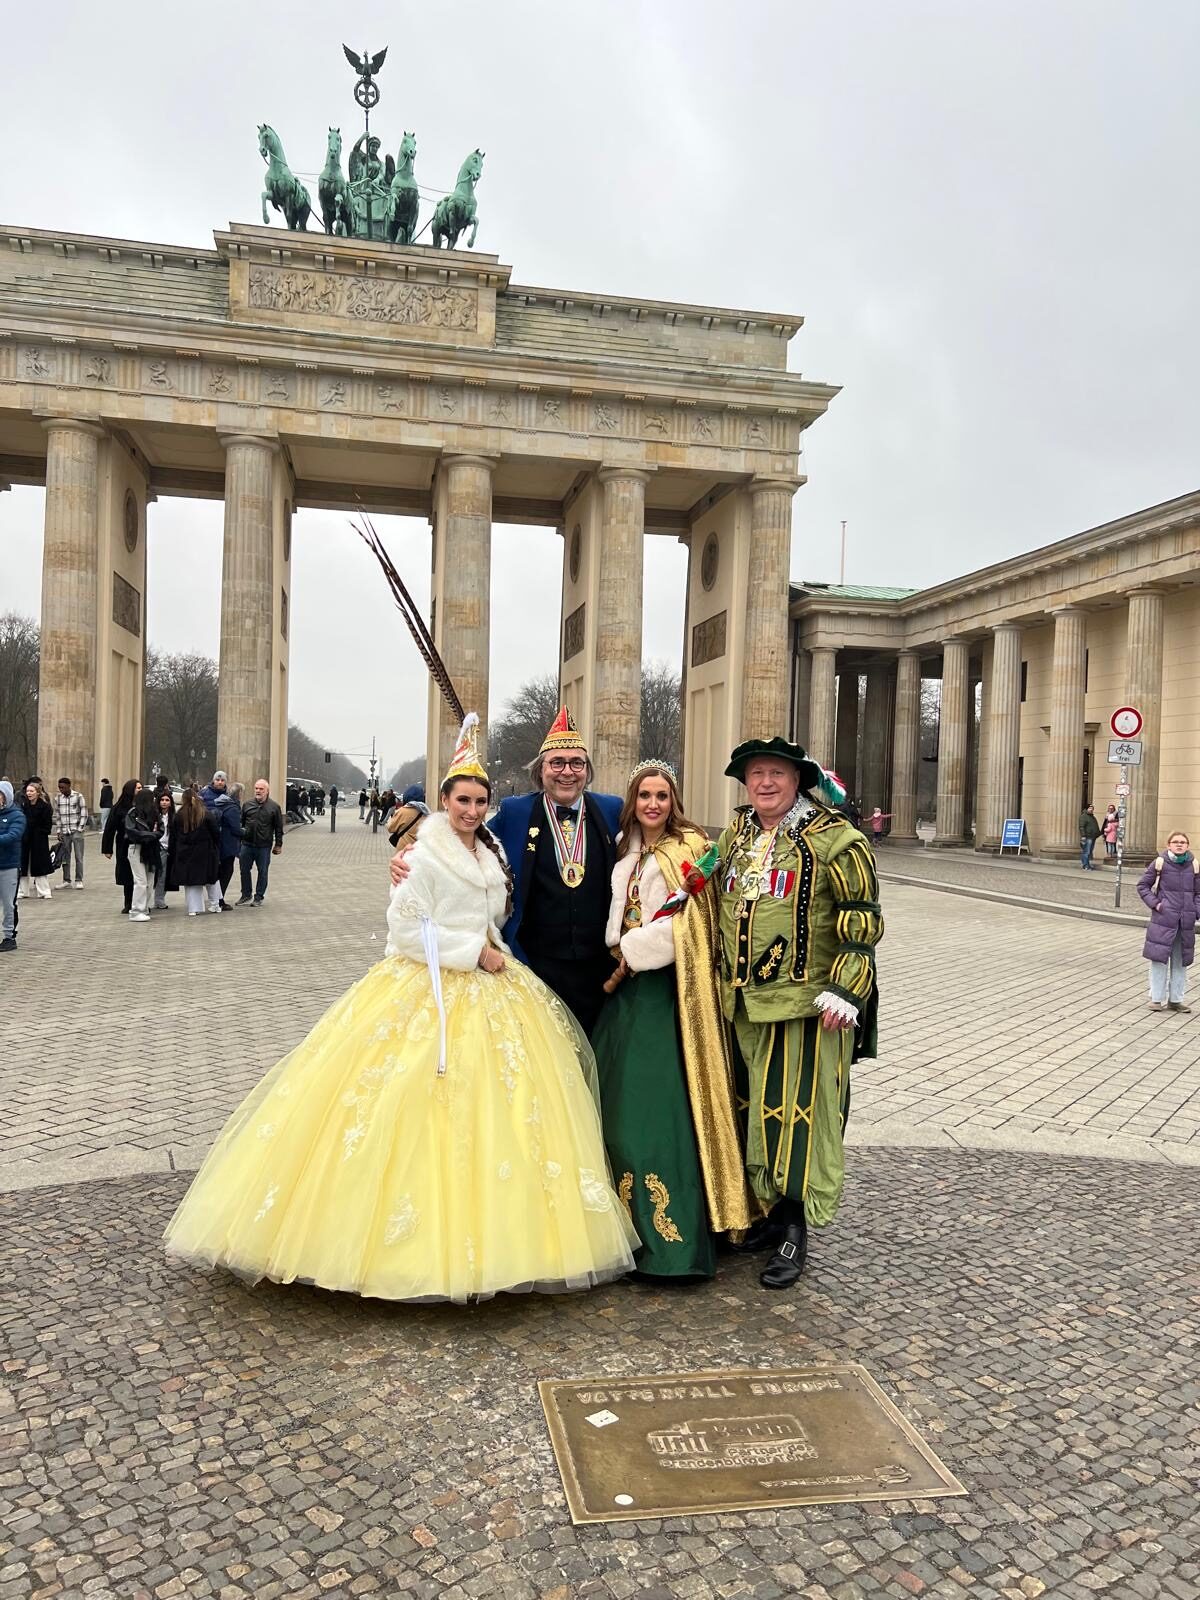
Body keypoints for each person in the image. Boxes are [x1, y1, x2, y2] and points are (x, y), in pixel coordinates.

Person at [163, 712, 638, 1303]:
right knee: (421, 1108)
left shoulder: (506, 843)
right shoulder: (428, 851)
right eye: (462, 800)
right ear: (445, 800)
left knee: (517, 1108)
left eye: (479, 801)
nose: (472, 810)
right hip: (439, 984)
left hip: (518, 980)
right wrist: (471, 948)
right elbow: (408, 928)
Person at [716, 737, 883, 1291]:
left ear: (797, 781)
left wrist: (846, 988)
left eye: (776, 774)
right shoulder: (736, 836)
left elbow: (861, 917)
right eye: (756, 774)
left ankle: (794, 1228)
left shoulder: (837, 839)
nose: (765, 783)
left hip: (807, 1004)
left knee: (799, 1117)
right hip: (743, 1001)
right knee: (754, 1111)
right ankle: (767, 1212)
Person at [592, 760, 752, 1280]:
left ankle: (670, 1242)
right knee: (617, 1109)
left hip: (667, 993)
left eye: (662, 795)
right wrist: (620, 946)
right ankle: (620, 1234)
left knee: (660, 1109)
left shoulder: (690, 848)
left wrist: (637, 948)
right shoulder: (626, 850)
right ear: (633, 801)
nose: (653, 804)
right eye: (645, 795)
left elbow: (695, 923)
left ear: (673, 801)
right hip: (625, 997)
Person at [476, 707, 621, 1036]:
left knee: (595, 1048)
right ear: (540, 770)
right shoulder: (515, 811)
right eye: (557, 763)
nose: (567, 772)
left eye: (576, 763)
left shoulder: (612, 809)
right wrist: (415, 855)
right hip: (536, 962)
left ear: (587, 770)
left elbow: (655, 837)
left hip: (599, 966)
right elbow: (471, 843)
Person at [1138, 832, 1199, 1013]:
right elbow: (1142, 886)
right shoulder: (1160, 863)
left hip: (1185, 923)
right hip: (1163, 920)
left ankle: (1176, 1000)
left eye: (1183, 842)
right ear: (1169, 844)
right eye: (1176, 842)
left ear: (1187, 845)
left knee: (1180, 962)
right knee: (1159, 960)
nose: (1179, 844)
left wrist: (1196, 910)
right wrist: (1156, 904)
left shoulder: (1194, 865)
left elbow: (1198, 893)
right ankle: (1156, 999)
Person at [175, 789, 222, 916]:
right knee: (212, 879)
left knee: (191, 881)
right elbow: (216, 832)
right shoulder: (206, 813)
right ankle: (215, 905)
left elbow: (174, 835)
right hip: (206, 851)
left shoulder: (179, 815)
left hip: (186, 852)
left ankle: (193, 908)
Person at [238, 779, 284, 904]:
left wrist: (278, 844)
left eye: (261, 789)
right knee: (244, 870)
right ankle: (246, 894)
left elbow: (278, 828)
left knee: (262, 871)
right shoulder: (247, 805)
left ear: (267, 791)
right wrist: (239, 842)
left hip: (263, 846)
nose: (258, 791)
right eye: (256, 788)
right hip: (247, 844)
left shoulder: (274, 807)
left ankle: (259, 896)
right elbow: (241, 824)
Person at [102, 779, 141, 914]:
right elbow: (110, 828)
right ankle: (128, 903)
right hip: (124, 844)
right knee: (127, 875)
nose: (140, 790)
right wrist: (107, 849)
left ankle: (141, 903)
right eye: (138, 788)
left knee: (141, 876)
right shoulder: (119, 807)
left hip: (141, 843)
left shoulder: (143, 805)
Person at [124, 788, 163, 923]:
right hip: (136, 848)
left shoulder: (155, 813)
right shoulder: (132, 813)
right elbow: (131, 831)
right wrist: (150, 835)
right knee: (141, 881)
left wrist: (152, 836)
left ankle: (144, 907)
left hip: (151, 849)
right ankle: (136, 911)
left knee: (150, 881)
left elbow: (161, 829)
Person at [0, 781, 26, 952]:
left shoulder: (17, 815)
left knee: (9, 903)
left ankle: (9, 936)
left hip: (8, 865)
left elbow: (13, 835)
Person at [18, 780, 55, 901]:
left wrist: (39, 832)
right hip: (25, 839)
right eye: (27, 791)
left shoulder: (45, 806)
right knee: (23, 865)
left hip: (39, 840)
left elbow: (47, 826)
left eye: (31, 791)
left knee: (40, 866)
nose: (29, 793)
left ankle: (44, 891)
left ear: (38, 792)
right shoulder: (24, 805)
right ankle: (23, 891)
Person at [55, 776, 88, 888]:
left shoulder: (78, 796)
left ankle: (79, 879)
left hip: (76, 830)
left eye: (63, 787)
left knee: (78, 857)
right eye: (59, 787)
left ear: (69, 786)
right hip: (65, 832)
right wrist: (59, 831)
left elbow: (84, 813)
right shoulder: (58, 798)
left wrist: (80, 829)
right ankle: (66, 880)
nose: (61, 789)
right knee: (65, 857)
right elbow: (58, 816)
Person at [152, 789, 178, 910]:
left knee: (164, 876)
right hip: (157, 847)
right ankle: (150, 900)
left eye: (167, 800)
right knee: (153, 874)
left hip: (169, 849)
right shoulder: (154, 815)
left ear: (171, 803)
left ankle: (159, 899)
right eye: (162, 800)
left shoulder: (174, 817)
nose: (164, 802)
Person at [1079, 803, 1101, 871]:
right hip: (1087, 837)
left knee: (1089, 852)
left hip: (1092, 837)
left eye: (1092, 808)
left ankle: (1087, 864)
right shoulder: (1083, 816)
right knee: (1086, 852)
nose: (1091, 809)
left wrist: (1098, 834)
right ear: (1086, 809)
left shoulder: (1092, 817)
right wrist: (1083, 836)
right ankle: (1085, 865)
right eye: (1090, 808)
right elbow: (1081, 827)